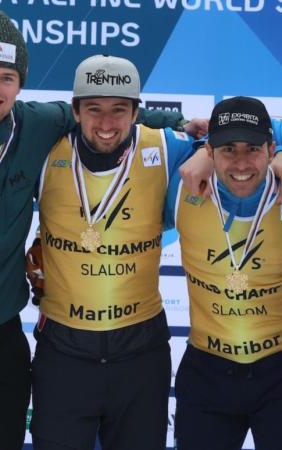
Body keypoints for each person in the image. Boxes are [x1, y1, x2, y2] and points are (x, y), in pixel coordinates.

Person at [0, 8, 192, 450]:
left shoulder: (35, 125)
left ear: (21, 84)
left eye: (8, 77)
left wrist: (179, 126)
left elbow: (100, 118)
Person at [28, 53, 201, 450]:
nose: (106, 124)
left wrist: (213, 148)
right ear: (75, 110)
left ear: (137, 112)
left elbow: (234, 148)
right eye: (94, 109)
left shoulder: (166, 148)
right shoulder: (44, 148)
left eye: (119, 110)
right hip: (63, 351)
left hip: (140, 354)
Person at [166, 96, 282, 450]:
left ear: (270, 149)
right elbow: (116, 132)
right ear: (210, 151)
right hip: (208, 368)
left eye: (252, 149)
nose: (240, 163)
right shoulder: (180, 182)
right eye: (227, 149)